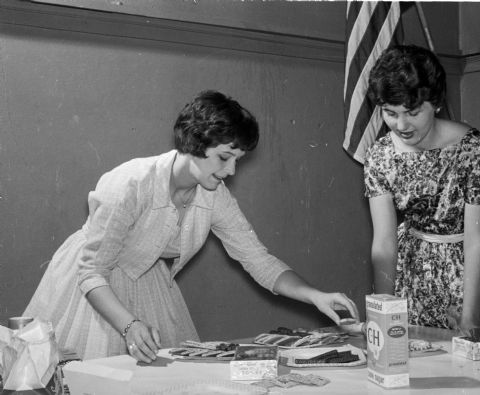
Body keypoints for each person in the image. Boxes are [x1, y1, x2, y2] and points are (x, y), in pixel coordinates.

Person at [24, 90, 359, 362]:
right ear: (196, 143)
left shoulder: (215, 196)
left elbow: (258, 259)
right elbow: (92, 273)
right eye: (224, 157)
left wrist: (315, 296)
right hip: (90, 287)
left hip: (147, 284)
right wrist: (129, 326)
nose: (231, 172)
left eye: (237, 161)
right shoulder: (129, 183)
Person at [363, 45, 480, 335]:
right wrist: (385, 310)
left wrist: (470, 319)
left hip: (468, 278)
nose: (401, 124)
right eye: (390, 113)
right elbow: (383, 243)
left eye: (412, 112)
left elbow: (476, 240)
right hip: (411, 276)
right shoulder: (379, 156)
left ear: (434, 102)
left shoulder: (473, 149)